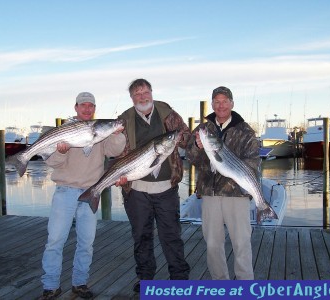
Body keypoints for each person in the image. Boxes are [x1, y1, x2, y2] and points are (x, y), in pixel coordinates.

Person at [40, 92, 125, 299]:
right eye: (83, 105)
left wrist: (116, 132)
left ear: (94, 108)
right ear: (76, 107)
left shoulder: (100, 130)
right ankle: (50, 286)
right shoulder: (65, 130)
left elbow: (115, 150)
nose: (87, 109)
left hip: (90, 192)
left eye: (91, 106)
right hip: (65, 192)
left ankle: (80, 283)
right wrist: (61, 151)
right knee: (55, 241)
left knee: (86, 242)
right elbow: (51, 162)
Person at [117, 78, 191, 292]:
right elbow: (120, 152)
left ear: (152, 92)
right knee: (141, 236)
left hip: (167, 188)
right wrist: (122, 175)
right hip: (137, 190)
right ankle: (146, 279)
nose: (143, 97)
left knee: (171, 235)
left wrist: (180, 138)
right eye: (137, 94)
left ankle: (179, 278)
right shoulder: (125, 119)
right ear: (132, 98)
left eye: (145, 92)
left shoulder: (167, 113)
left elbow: (185, 136)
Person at [185, 86, 259, 280]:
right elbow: (192, 158)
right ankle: (220, 285)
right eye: (217, 102)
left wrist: (236, 175)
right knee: (212, 244)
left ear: (232, 103)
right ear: (212, 104)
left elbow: (252, 163)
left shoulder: (245, 130)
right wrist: (197, 147)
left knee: (241, 243)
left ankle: (245, 286)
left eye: (225, 101)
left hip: (237, 195)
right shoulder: (203, 129)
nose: (221, 105)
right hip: (210, 195)